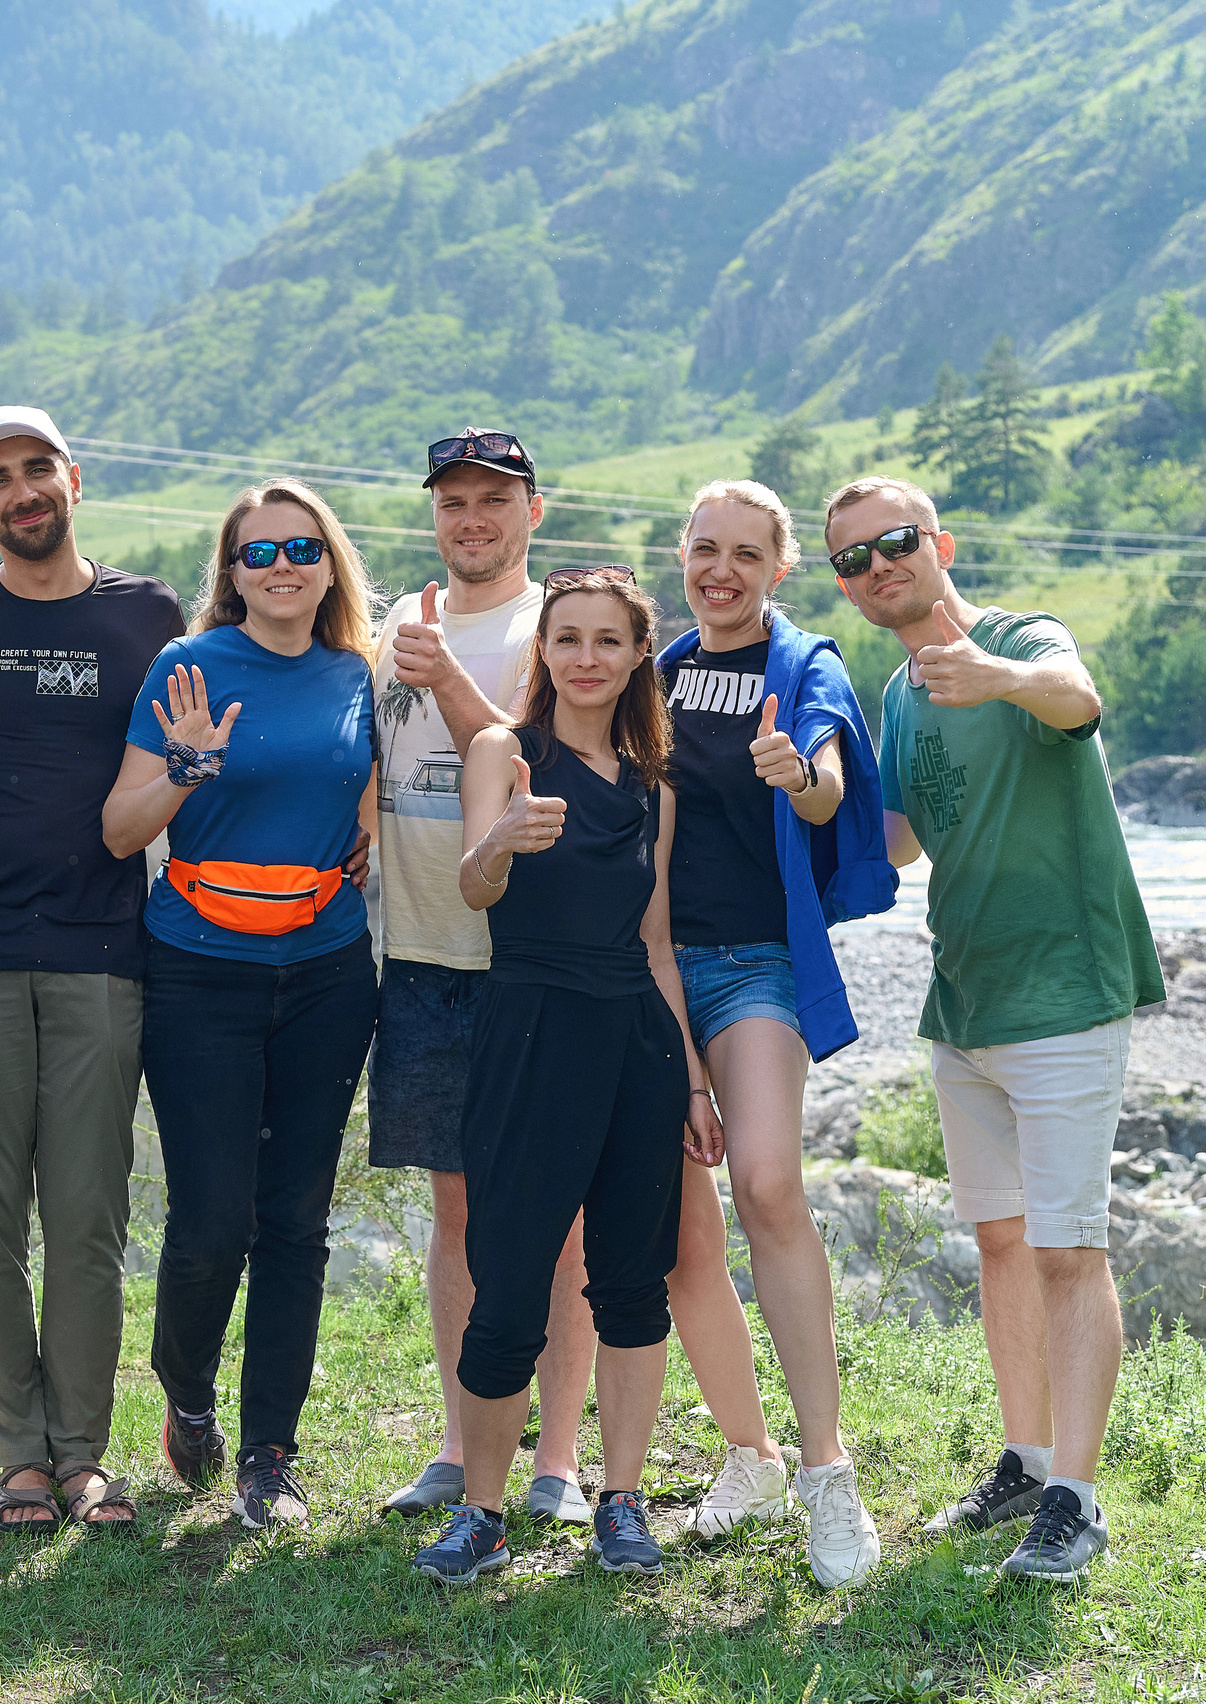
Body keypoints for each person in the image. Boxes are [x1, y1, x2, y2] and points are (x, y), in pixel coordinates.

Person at [826, 474, 1163, 1583]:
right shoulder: (897, 691)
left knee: (1070, 1249)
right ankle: (1024, 1459)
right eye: (852, 559)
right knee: (1003, 1242)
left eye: (894, 543)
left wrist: (1000, 677)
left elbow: (1075, 698)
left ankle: (1077, 1498)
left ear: (938, 543)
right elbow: (905, 843)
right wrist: (806, 795)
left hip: (1063, 989)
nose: (878, 566)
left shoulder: (1026, 640)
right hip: (962, 996)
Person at [410, 567, 724, 1586]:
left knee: (633, 1284)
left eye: (605, 640)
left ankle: (620, 1500)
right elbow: (472, 883)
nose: (584, 657)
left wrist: (688, 1081)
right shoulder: (505, 751)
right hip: (529, 1030)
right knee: (507, 1286)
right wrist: (500, 836)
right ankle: (484, 1513)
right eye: (566, 638)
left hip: (633, 1039)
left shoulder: (651, 780)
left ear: (639, 654)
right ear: (542, 650)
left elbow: (659, 942)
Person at [0, 406, 186, 1532]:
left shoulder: (147, 615)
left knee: (86, 1217)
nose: (24, 491)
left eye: (39, 469)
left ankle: (81, 1453)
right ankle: (15, 1459)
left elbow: (191, 748)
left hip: (102, 950)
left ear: (73, 477)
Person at [101, 478, 379, 1529]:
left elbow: (365, 791)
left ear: (328, 562)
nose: (279, 568)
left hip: (326, 972)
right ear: (229, 572)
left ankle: (270, 1455)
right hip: (199, 968)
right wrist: (184, 767)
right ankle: (187, 1391)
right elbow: (122, 831)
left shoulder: (355, 672)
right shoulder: (186, 668)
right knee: (212, 1219)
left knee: (295, 1223)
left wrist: (366, 836)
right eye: (257, 554)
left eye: (299, 549)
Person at [654, 479, 895, 1589]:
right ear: (683, 555)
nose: (722, 570)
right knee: (673, 1230)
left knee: (763, 1183)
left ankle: (826, 1472)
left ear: (778, 567)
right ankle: (747, 1452)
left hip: (756, 964)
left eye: (747, 554)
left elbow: (829, 781)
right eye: (706, 549)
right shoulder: (652, 673)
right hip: (649, 969)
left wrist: (797, 774)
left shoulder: (804, 669)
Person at [369, 428, 597, 1525]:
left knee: (555, 1221)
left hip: (528, 959)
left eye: (493, 501)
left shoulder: (558, 627)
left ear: (532, 513)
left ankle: (555, 1459)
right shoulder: (388, 630)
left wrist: (451, 679)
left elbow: (535, 763)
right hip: (416, 952)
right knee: (454, 1209)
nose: (472, 519)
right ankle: (463, 1442)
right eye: (453, 501)